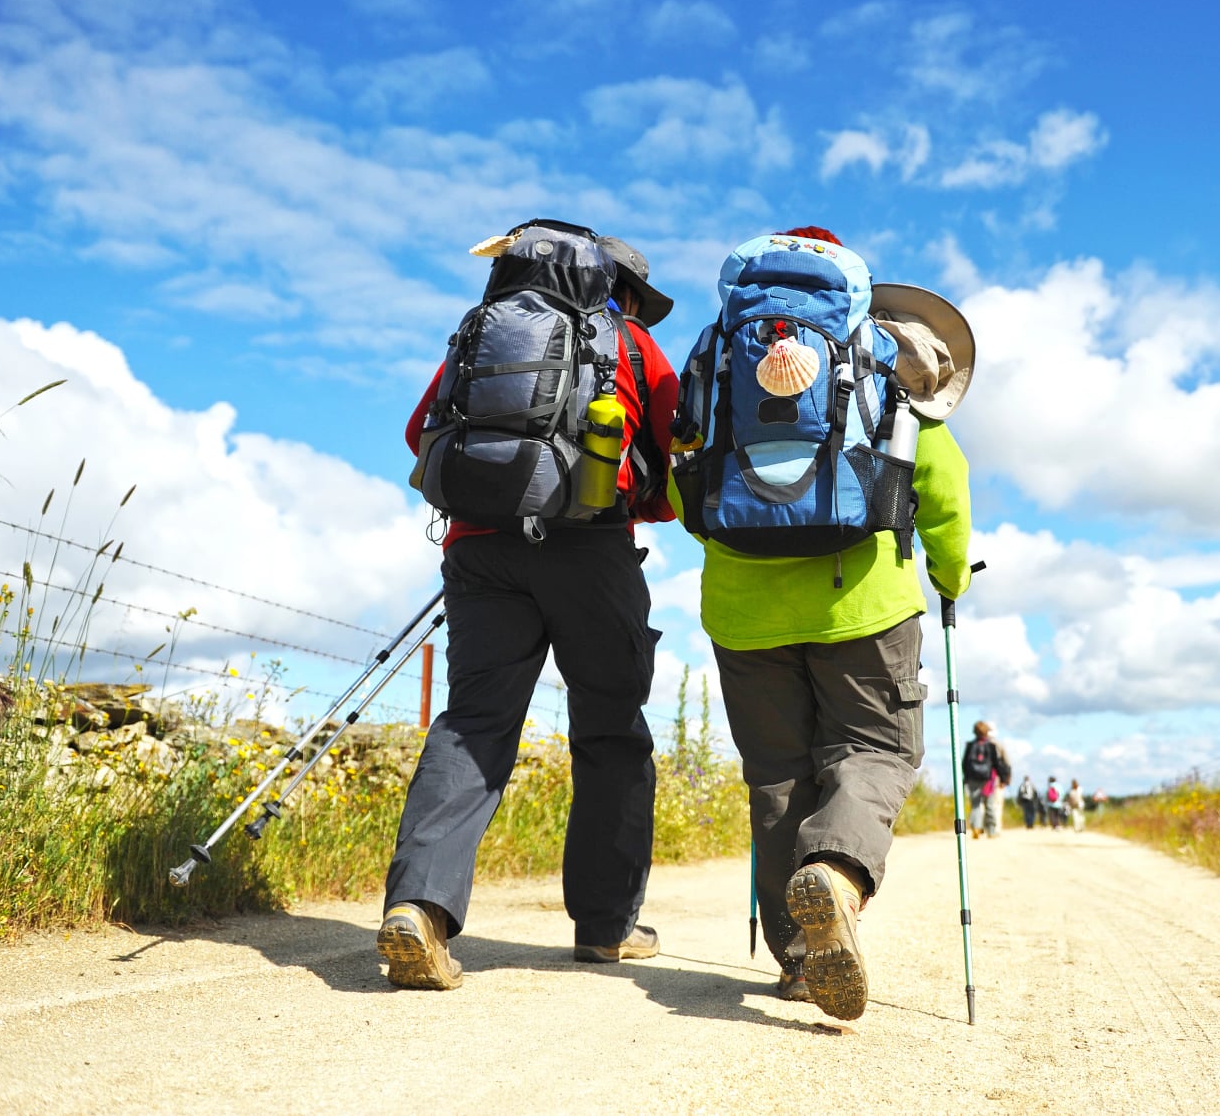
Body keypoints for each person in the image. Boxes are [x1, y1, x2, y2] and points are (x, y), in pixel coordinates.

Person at [676, 227, 973, 1021]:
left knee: (776, 773)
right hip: (864, 601)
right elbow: (940, 487)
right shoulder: (881, 359)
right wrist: (946, 578)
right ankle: (837, 875)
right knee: (874, 747)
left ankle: (799, 960)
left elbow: (686, 490)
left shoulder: (721, 355)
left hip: (742, 608)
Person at [376, 227, 680, 990]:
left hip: (479, 551)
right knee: (611, 729)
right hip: (591, 553)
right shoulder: (634, 346)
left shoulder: (484, 333)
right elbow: (670, 469)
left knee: (473, 722)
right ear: (624, 292)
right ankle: (608, 929)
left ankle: (419, 907)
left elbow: (421, 433)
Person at [961, 721, 1010, 839]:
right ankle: (991, 830)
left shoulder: (970, 745)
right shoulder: (991, 746)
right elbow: (997, 764)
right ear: (987, 732)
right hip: (989, 780)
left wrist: (966, 778)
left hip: (973, 779)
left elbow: (964, 764)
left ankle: (976, 827)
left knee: (976, 805)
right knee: (990, 805)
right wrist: (1003, 779)